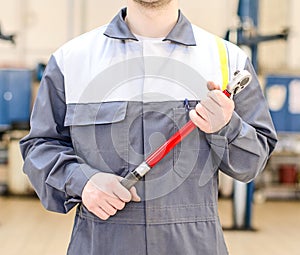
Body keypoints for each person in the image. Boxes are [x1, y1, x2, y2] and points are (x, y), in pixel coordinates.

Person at [20, 0, 277, 254]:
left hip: (193, 245)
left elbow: (252, 162)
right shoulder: (72, 60)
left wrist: (226, 127)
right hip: (102, 244)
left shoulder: (227, 61)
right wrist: (82, 182)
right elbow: (39, 148)